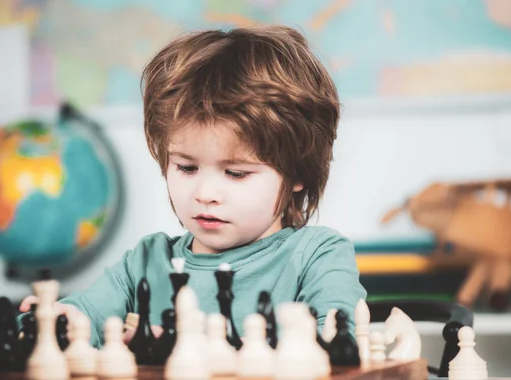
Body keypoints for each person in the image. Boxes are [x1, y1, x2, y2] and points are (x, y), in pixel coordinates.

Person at [19, 24, 367, 348]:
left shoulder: (317, 256)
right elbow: (83, 315)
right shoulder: (146, 263)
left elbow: (337, 343)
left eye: (236, 173)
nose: (205, 194)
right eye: (186, 167)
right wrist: (55, 323)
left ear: (298, 172)